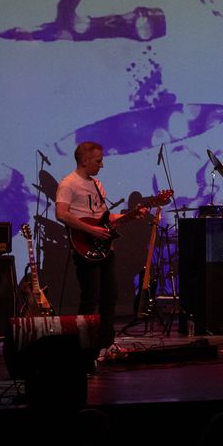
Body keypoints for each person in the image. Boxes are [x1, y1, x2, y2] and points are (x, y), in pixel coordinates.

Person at [54, 141, 148, 353]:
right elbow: (61, 213)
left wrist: (131, 215)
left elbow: (104, 218)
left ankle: (105, 342)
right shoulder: (68, 183)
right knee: (90, 297)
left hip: (105, 247)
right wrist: (91, 230)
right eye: (98, 161)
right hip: (85, 246)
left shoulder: (97, 184)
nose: (102, 165)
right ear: (85, 160)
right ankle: (83, 347)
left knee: (110, 296)